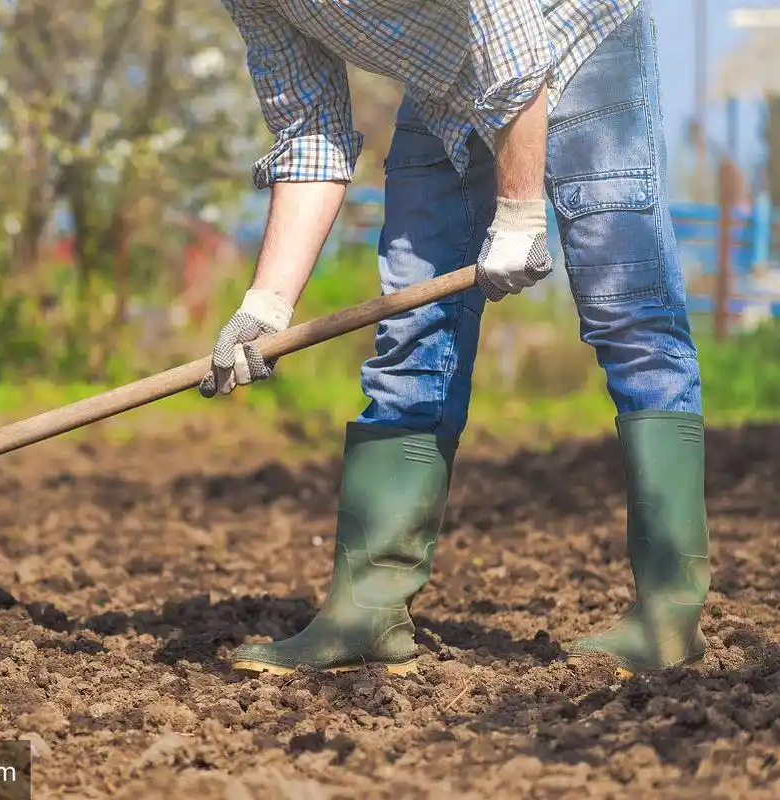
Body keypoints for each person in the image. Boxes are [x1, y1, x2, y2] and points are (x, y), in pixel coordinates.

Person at [201, 0, 710, 678]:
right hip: (448, 81)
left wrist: (520, 211)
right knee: (411, 331)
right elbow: (311, 134)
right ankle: (366, 607)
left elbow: (514, 36)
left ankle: (667, 615)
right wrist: (265, 306)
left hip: (573, 33)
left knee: (629, 312)